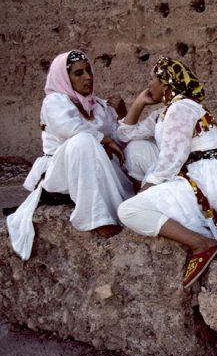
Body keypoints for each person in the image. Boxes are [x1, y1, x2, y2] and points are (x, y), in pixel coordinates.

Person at [116, 56, 217, 289]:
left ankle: (201, 243)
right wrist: (139, 103)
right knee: (136, 148)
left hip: (209, 182)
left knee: (129, 210)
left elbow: (172, 158)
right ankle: (201, 231)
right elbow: (124, 135)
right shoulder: (166, 112)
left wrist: (146, 191)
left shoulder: (181, 108)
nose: (148, 85)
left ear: (166, 83)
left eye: (152, 79)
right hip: (197, 175)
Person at [6, 50, 133, 260]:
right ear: (65, 78)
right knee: (83, 141)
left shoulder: (99, 106)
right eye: (78, 73)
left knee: (137, 146)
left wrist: (122, 113)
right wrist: (105, 140)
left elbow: (120, 139)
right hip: (60, 173)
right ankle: (96, 218)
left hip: (95, 171)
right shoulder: (54, 101)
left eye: (89, 71)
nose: (88, 77)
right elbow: (70, 129)